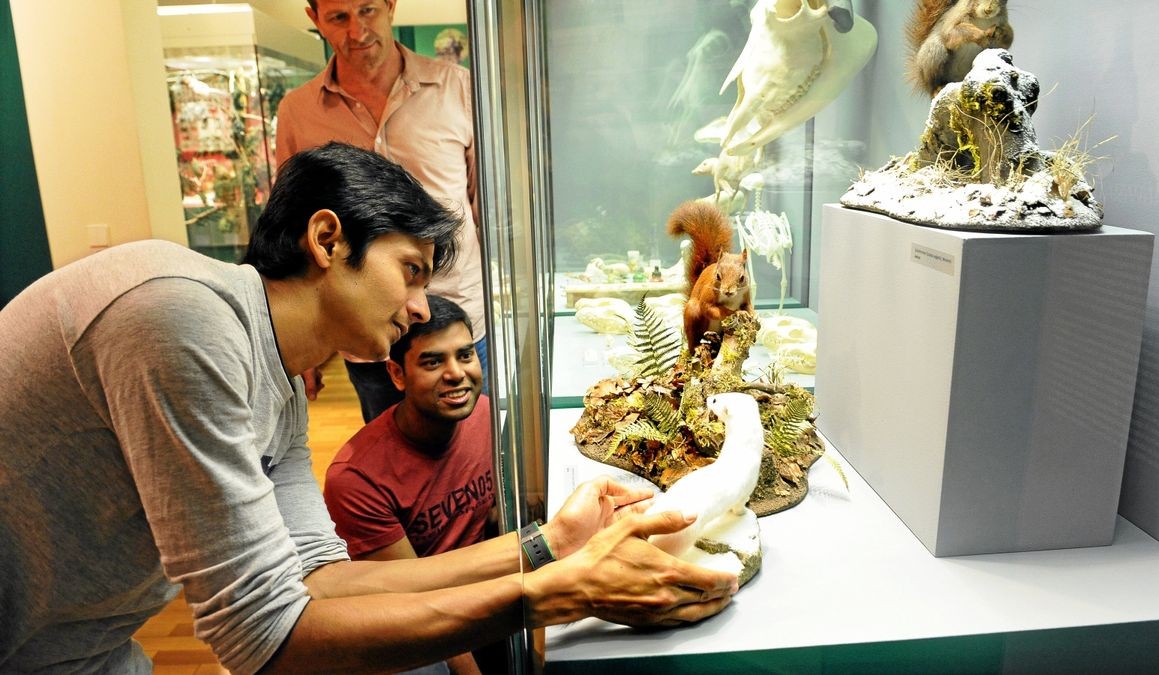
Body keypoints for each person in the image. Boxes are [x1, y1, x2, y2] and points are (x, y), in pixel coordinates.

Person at [0, 142, 737, 674]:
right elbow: (265, 637)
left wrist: (544, 545)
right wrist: (548, 593)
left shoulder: (281, 377)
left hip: (83, 646)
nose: (419, 309)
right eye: (410, 272)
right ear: (328, 238)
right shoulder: (176, 316)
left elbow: (321, 579)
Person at [276, 0, 487, 421]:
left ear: (391, 6)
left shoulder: (458, 87)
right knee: (389, 454)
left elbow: (486, 205)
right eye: (338, 17)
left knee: (475, 455)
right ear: (314, 19)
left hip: (458, 316)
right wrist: (300, 346)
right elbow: (292, 229)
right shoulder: (298, 111)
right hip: (364, 328)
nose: (357, 31)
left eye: (368, 10)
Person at [326, 294, 495, 674]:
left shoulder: (483, 414)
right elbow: (414, 600)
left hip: (482, 594)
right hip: (416, 620)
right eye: (433, 362)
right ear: (397, 375)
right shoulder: (356, 478)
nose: (456, 373)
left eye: (465, 355)